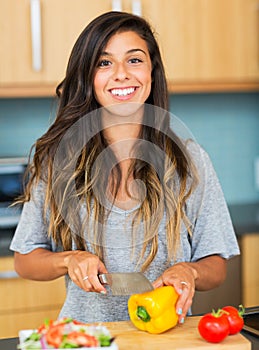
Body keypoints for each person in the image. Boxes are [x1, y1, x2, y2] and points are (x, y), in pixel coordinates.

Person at [10, 11, 239, 325]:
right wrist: (70, 259)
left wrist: (191, 271)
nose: (121, 74)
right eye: (104, 63)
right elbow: (25, 261)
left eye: (134, 60)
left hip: (167, 339)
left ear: (151, 72)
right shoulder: (58, 160)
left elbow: (216, 264)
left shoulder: (190, 160)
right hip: (88, 338)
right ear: (88, 77)